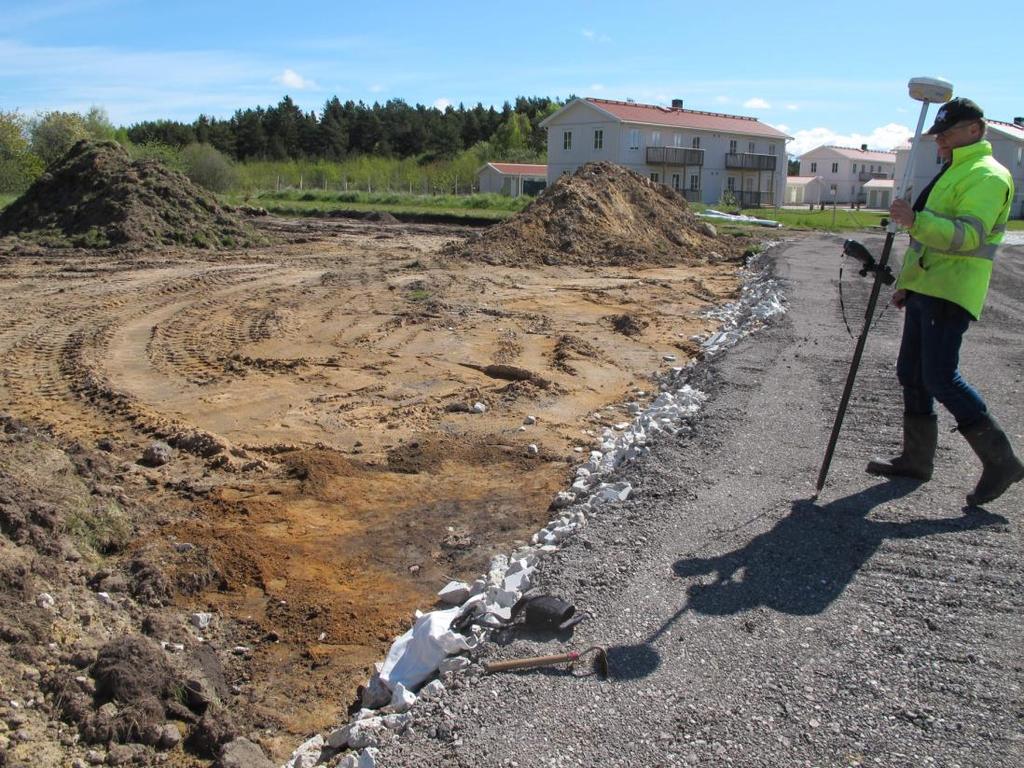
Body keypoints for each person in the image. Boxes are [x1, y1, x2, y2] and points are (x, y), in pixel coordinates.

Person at [867, 97, 1024, 505]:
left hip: (952, 290)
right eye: (939, 136)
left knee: (940, 377)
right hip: (926, 287)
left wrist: (916, 220)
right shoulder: (954, 171)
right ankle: (917, 459)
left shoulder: (987, 175)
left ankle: (1002, 461)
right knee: (911, 372)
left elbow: (967, 236)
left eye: (948, 134)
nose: (941, 142)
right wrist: (907, 282)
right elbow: (925, 242)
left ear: (975, 129)